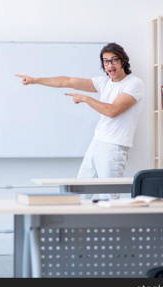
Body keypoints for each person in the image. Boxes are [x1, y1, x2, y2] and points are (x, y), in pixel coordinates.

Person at [16, 43, 145, 199]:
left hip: (114, 146)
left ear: (123, 61)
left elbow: (112, 111)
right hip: (97, 142)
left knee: (109, 196)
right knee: (81, 191)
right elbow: (67, 81)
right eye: (105, 61)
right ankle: (80, 224)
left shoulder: (134, 83)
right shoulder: (104, 82)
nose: (109, 65)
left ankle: (112, 224)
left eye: (114, 60)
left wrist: (86, 98)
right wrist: (35, 80)